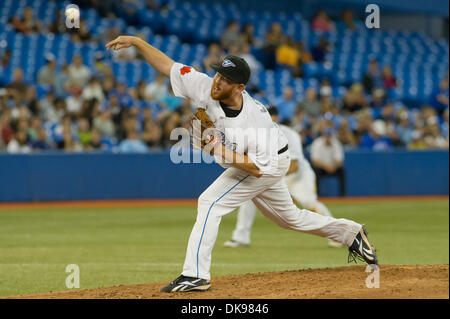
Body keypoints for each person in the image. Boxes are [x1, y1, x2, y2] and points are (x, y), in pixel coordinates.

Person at [106, 35, 378, 292]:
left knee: (210, 202)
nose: (217, 82)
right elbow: (168, 66)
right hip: (256, 158)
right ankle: (351, 233)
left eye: (225, 80)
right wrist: (138, 42)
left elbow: (254, 169)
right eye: (218, 74)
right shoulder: (205, 85)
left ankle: (196, 275)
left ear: (240, 87)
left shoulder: (252, 122)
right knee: (289, 219)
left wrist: (211, 146)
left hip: (267, 162)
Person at [224, 106, 342, 248]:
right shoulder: (256, 134)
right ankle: (241, 237)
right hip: (272, 174)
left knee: (309, 203)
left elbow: (294, 165)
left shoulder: (289, 134)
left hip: (297, 176)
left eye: (269, 117)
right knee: (249, 198)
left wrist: (267, 176)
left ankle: (338, 234)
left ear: (276, 118)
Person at [310, 129, 346, 196]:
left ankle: (342, 196)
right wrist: (326, 166)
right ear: (323, 136)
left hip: (333, 167)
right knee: (315, 171)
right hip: (321, 168)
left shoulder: (336, 143)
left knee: (342, 171)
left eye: (329, 136)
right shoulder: (317, 143)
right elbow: (314, 161)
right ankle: (317, 195)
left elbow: (340, 161)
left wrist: (333, 166)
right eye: (326, 135)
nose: (328, 138)